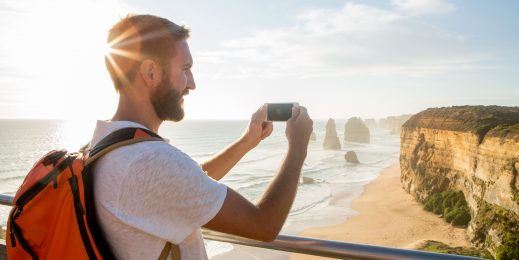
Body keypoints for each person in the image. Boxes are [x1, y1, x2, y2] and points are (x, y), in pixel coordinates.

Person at [90, 14, 313, 259]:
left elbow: (185, 184)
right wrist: (298, 148)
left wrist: (247, 142)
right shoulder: (149, 161)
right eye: (185, 69)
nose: (192, 84)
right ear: (151, 72)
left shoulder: (104, 145)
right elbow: (264, 225)